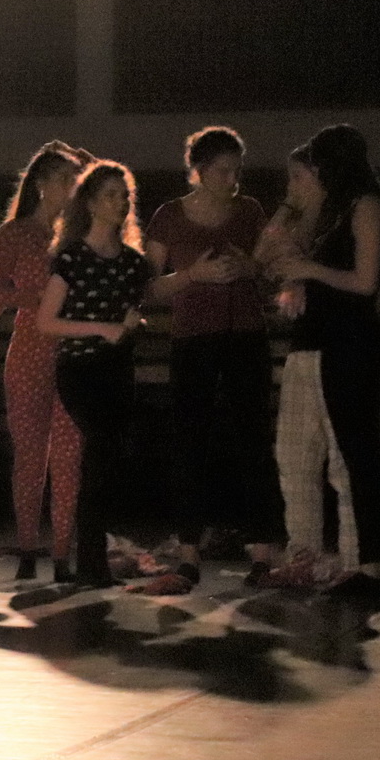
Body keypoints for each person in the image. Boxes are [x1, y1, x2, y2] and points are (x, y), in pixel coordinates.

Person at [260, 126, 380, 596]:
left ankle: (365, 562)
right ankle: (313, 555)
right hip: (318, 340)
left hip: (351, 341)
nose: (313, 171)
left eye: (318, 162)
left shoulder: (365, 206)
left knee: (351, 455)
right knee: (303, 453)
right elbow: (271, 251)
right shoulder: (330, 211)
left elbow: (364, 281)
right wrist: (298, 277)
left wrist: (309, 270)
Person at [146, 126, 282, 586]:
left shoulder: (249, 211)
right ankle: (189, 552)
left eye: (237, 170)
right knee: (190, 443)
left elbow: (271, 267)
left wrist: (251, 267)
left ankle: (261, 553)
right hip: (193, 338)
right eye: (223, 171)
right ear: (200, 171)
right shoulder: (170, 216)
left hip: (245, 335)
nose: (232, 179)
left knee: (253, 442)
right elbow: (148, 286)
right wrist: (193, 274)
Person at [0, 142, 91, 583]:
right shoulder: (16, 234)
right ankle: (27, 547)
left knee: (69, 456)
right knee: (29, 456)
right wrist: (37, 297)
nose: (71, 187)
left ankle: (62, 551)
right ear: (42, 184)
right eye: (64, 179)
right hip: (30, 351)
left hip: (74, 352)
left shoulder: (82, 235)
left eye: (76, 180)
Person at [38, 162, 152, 587]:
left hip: (117, 366)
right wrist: (100, 328)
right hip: (81, 367)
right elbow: (46, 321)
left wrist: (131, 324)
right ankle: (91, 562)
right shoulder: (72, 258)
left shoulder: (131, 262)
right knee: (100, 454)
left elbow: (141, 301)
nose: (120, 203)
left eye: (124, 196)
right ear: (89, 203)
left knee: (108, 459)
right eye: (110, 195)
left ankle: (93, 558)